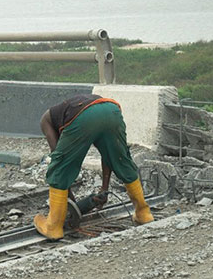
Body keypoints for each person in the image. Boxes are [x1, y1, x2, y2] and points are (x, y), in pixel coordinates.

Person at [34, 94, 154, 240]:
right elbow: (107, 154)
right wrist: (104, 188)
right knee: (122, 160)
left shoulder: (45, 121)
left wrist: (68, 198)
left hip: (84, 116)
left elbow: (60, 162)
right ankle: (143, 213)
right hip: (111, 110)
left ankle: (53, 227)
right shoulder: (69, 109)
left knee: (59, 167)